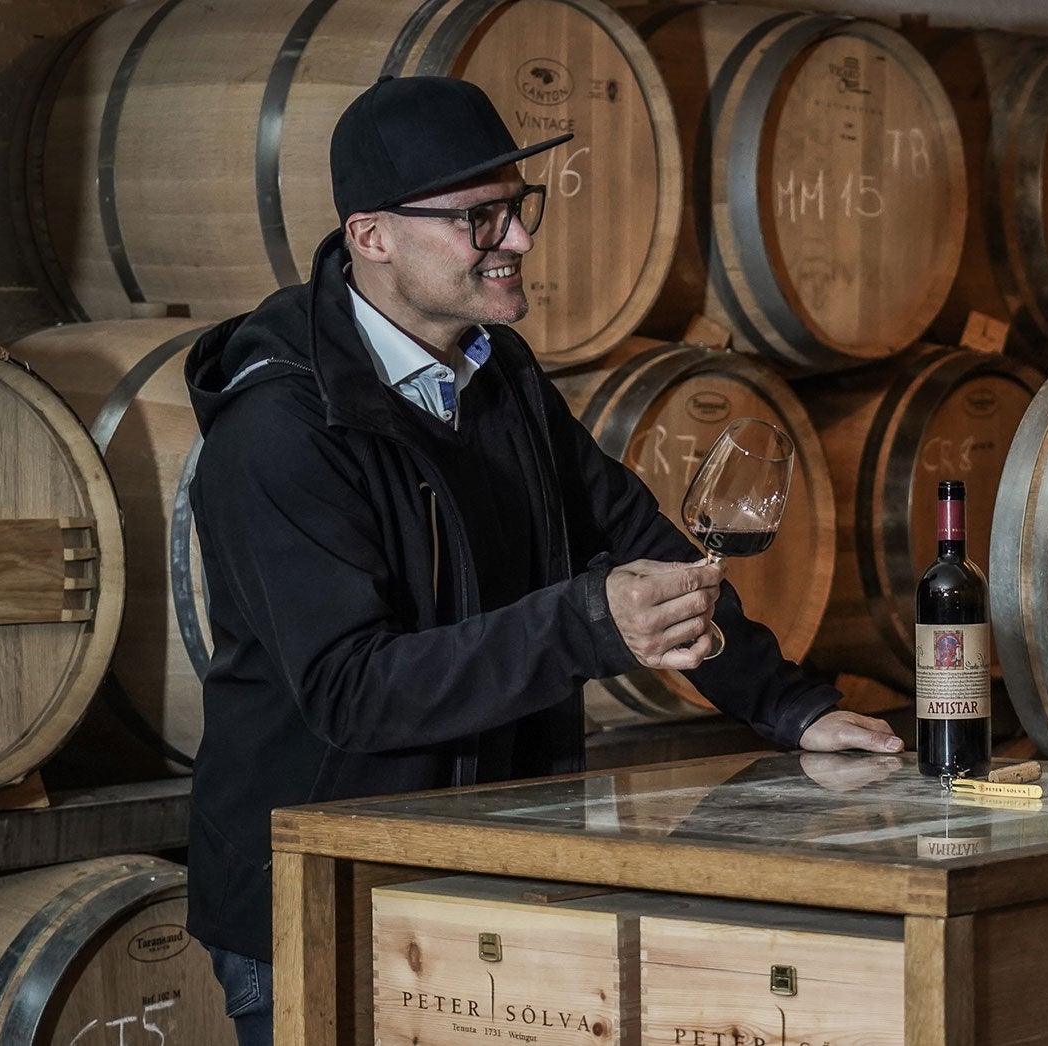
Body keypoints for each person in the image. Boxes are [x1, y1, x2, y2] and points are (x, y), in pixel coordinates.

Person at [181, 75, 902, 1046]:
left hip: (477, 859)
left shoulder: (498, 371)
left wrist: (791, 705)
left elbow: (638, 541)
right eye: (480, 218)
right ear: (372, 235)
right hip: (320, 887)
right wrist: (588, 622)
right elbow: (350, 689)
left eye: (518, 206)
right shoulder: (280, 427)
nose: (518, 240)